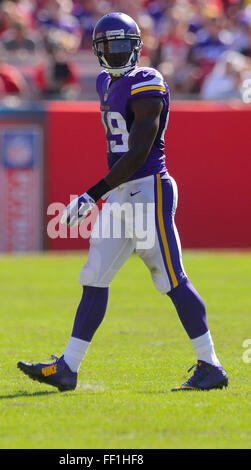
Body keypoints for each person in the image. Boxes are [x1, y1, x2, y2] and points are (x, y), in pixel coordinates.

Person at [17, 12, 228, 392]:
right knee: (94, 276)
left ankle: (210, 364)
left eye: (121, 45)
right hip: (119, 194)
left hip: (147, 188)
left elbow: (137, 151)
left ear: (136, 47)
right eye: (108, 46)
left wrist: (90, 193)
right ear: (97, 50)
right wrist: (103, 194)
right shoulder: (103, 82)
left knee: (171, 279)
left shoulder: (148, 81)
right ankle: (68, 367)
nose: (115, 53)